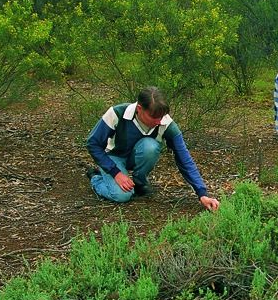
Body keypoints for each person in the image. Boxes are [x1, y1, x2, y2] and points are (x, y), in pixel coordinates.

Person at [86, 86, 219, 210]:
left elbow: (184, 158)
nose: (158, 121)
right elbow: (93, 143)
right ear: (139, 108)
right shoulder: (117, 113)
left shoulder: (166, 124)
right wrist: (115, 173)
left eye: (161, 116)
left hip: (137, 156)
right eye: (154, 117)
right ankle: (96, 177)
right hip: (114, 157)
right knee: (122, 196)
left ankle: (139, 183)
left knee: (151, 146)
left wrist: (202, 193)